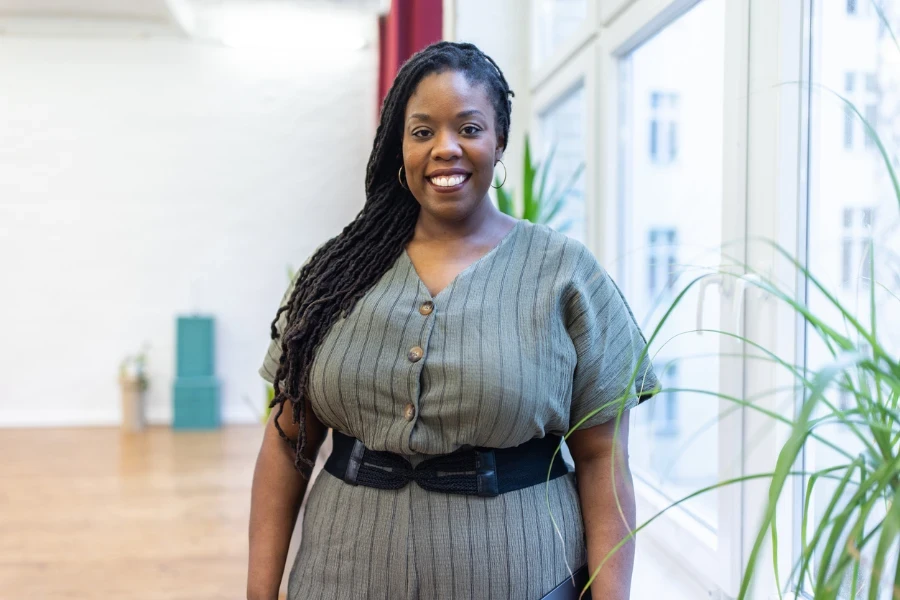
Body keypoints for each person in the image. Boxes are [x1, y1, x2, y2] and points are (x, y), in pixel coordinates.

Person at [247, 41, 658, 600]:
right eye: (422, 132)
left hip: (526, 578)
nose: (446, 148)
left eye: (469, 128)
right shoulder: (334, 275)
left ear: (499, 140)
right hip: (340, 577)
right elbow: (285, 445)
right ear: (401, 145)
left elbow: (602, 458)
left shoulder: (566, 274)